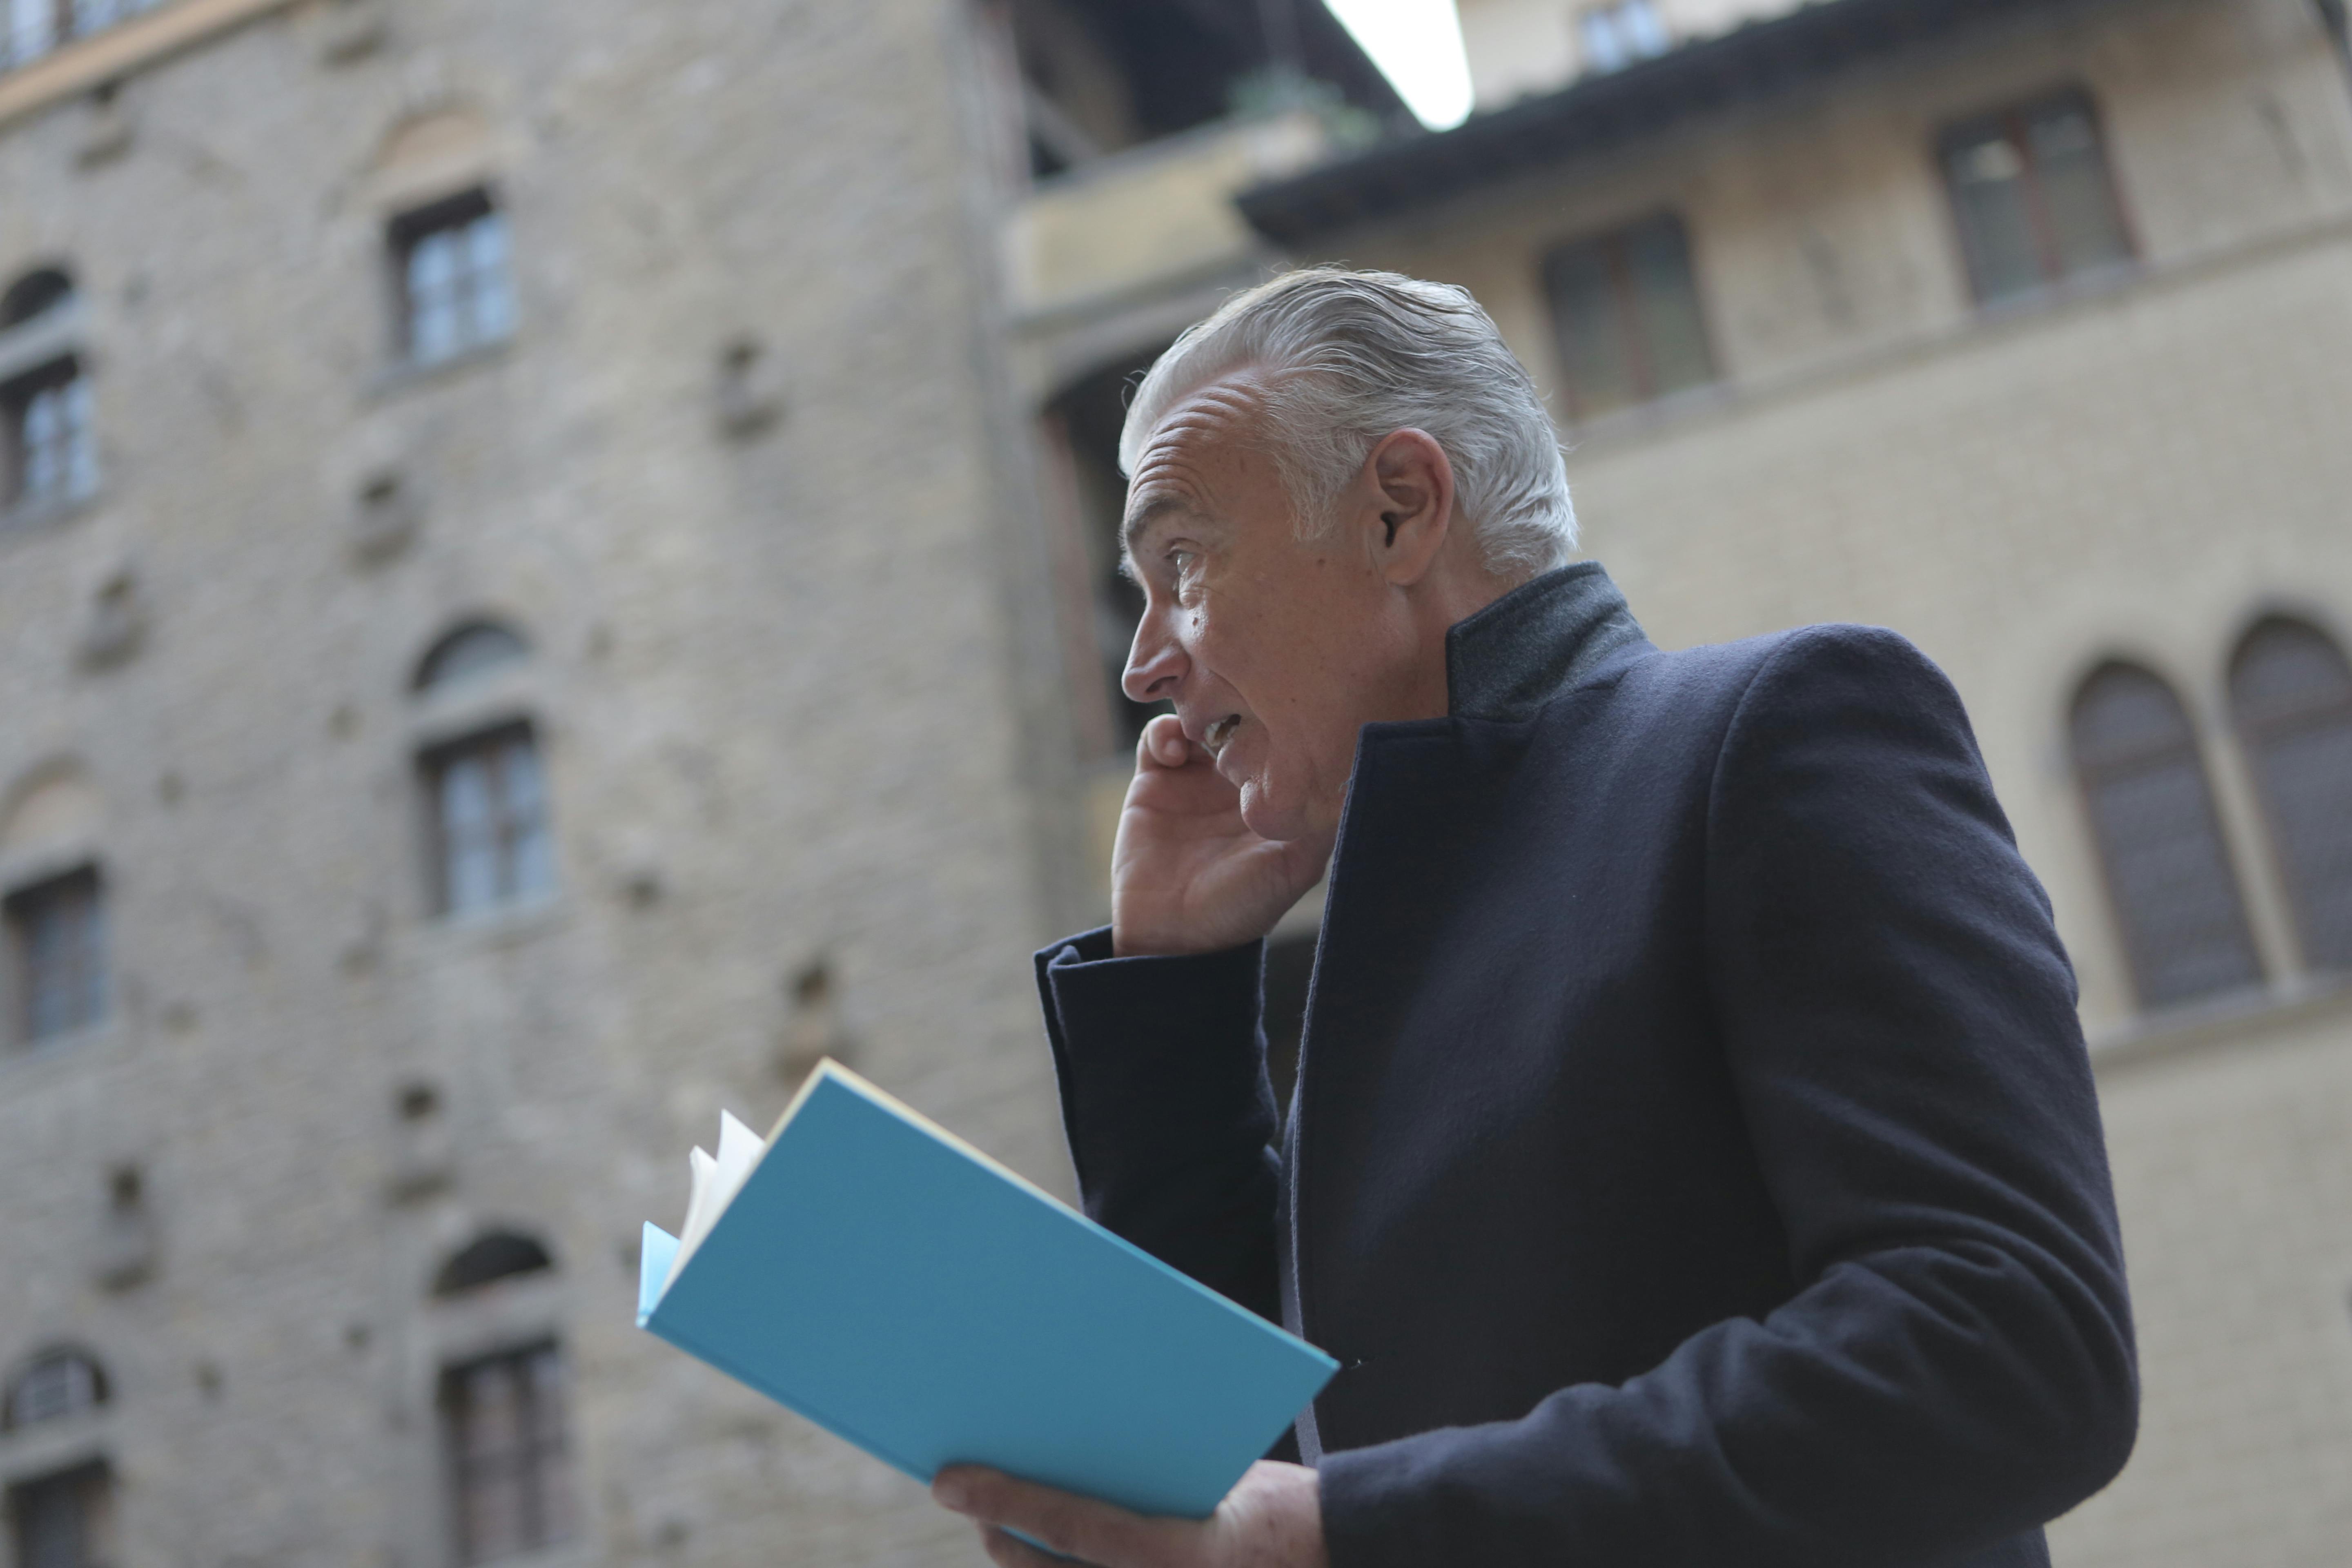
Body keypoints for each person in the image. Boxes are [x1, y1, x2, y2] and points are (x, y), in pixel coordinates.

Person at [932, 269, 2137, 1568]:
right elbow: (1247, 1476)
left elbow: (2012, 1346)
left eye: (1182, 564)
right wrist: (1173, 991)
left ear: (1399, 509)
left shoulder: (1776, 733)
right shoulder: (1388, 926)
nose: (1143, 665)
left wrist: (1355, 1533)